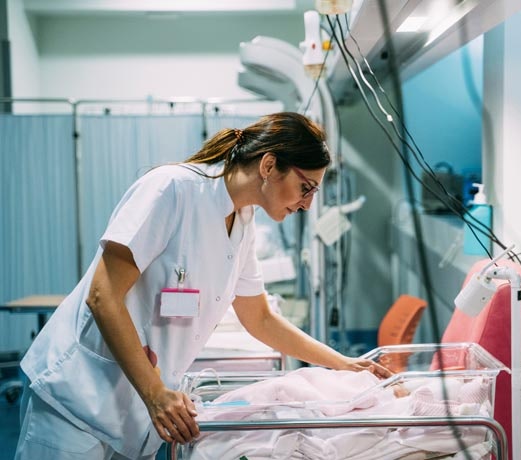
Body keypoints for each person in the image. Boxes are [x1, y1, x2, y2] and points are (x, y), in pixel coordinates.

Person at [15, 112, 390, 460]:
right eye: (305, 188)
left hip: (134, 412)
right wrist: (155, 393)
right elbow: (103, 295)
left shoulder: (242, 224)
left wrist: (345, 365)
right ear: (269, 165)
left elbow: (259, 318)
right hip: (78, 399)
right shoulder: (171, 189)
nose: (307, 204)